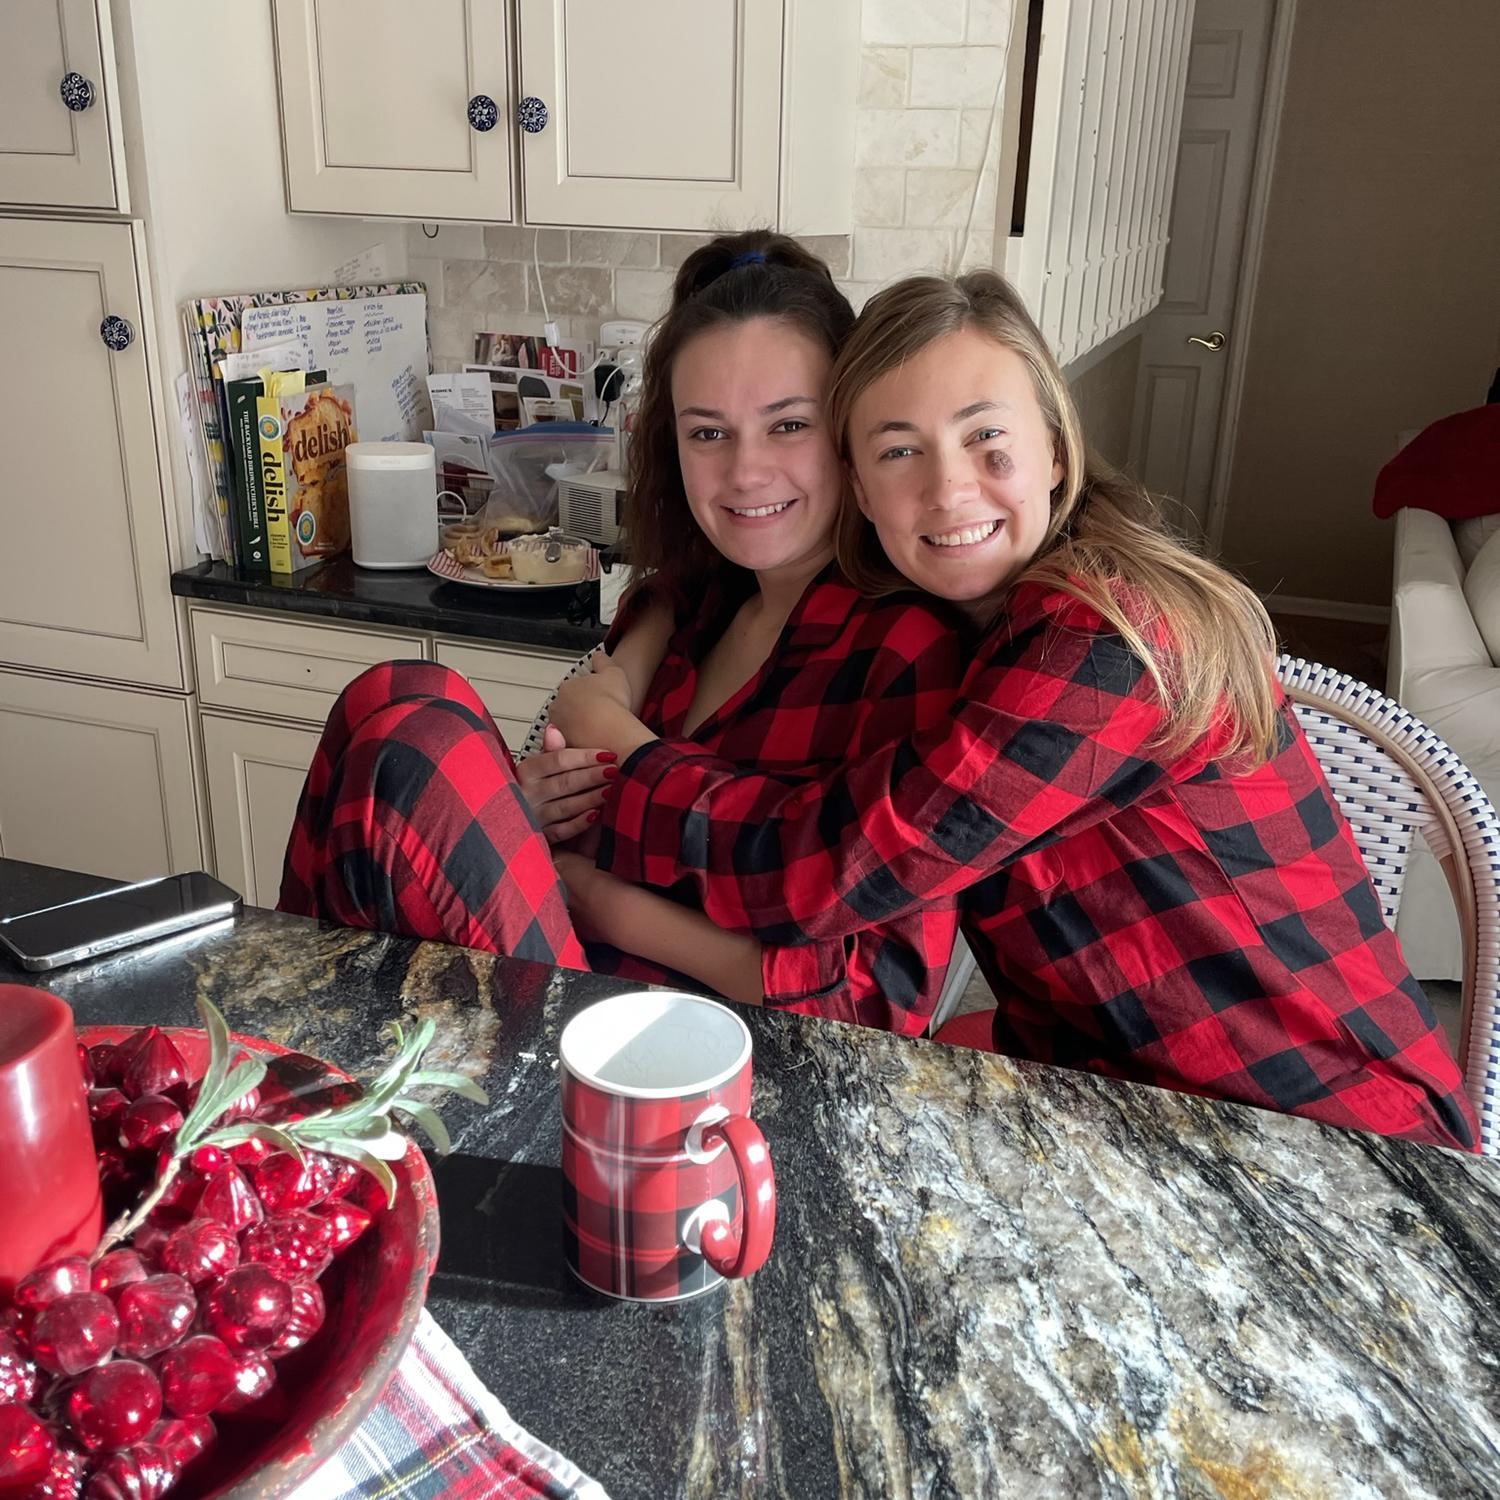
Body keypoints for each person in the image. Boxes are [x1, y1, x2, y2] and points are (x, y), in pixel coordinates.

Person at [549, 270, 1478, 1152]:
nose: (949, 489)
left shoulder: (1106, 638)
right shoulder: (977, 626)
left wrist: (612, 788)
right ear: (861, 485)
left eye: (985, 437)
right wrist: (629, 666)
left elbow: (826, 868)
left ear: (1057, 449)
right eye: (900, 450)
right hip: (1108, 1087)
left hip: (1333, 1132)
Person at [279, 233, 967, 1035]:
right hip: (572, 978)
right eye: (708, 433)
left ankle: (288, 1048)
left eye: (788, 425)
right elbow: (585, 807)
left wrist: (602, 902)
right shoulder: (693, 611)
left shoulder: (903, 648)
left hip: (705, 1049)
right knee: (390, 697)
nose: (745, 471)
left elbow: (876, 999)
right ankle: (292, 1050)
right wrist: (528, 811)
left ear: (849, 432)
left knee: (413, 730)